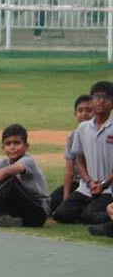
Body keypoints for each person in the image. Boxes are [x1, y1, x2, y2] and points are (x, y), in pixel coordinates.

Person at [53, 80, 113, 225]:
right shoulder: (83, 129)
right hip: (87, 187)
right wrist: (89, 181)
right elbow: (79, 159)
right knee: (61, 215)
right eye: (97, 97)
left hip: (109, 188)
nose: (101, 101)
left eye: (106, 98)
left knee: (89, 217)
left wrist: (104, 184)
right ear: (92, 100)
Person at [51, 93, 94, 213]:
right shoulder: (72, 136)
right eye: (80, 110)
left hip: (93, 183)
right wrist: (66, 198)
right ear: (75, 114)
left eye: (89, 110)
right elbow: (69, 170)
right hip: (76, 183)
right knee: (50, 203)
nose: (84, 113)